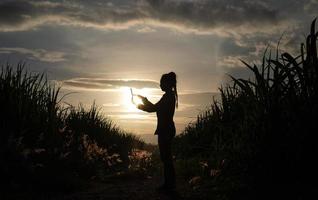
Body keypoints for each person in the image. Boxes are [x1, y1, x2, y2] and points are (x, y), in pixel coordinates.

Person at [137, 72, 178, 191]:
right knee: (166, 158)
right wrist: (143, 102)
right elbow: (155, 108)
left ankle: (169, 185)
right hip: (167, 129)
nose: (160, 85)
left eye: (161, 83)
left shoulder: (168, 97)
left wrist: (142, 103)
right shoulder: (169, 96)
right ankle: (169, 184)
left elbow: (154, 108)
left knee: (166, 158)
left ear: (167, 83)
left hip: (165, 130)